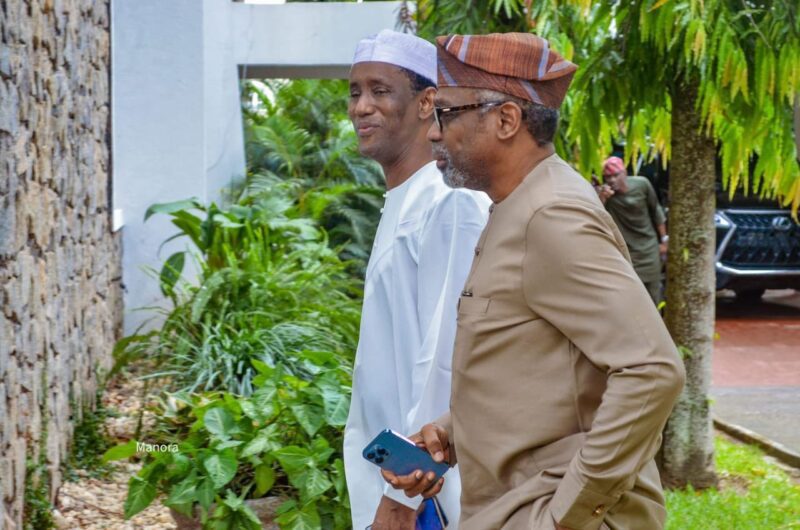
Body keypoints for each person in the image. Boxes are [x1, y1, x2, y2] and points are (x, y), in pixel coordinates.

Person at [383, 32, 686, 530]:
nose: (433, 133)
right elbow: (540, 370)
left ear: (506, 120)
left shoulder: (552, 216)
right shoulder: (515, 206)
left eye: (446, 113)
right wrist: (452, 432)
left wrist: (565, 515)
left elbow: (652, 372)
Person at [343, 29, 490, 530]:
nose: (361, 107)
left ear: (428, 102)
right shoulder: (403, 200)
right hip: (398, 484)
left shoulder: (450, 201)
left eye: (380, 91)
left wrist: (403, 496)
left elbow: (445, 358)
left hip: (430, 495)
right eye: (355, 91)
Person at [596, 156, 668, 304]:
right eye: (608, 177)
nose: (612, 180)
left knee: (653, 297)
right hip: (627, 254)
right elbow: (597, 219)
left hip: (649, 250)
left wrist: (664, 240)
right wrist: (602, 199)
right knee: (631, 297)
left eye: (616, 175)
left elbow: (656, 211)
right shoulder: (605, 195)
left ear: (625, 173)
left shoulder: (642, 184)